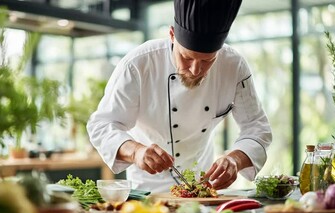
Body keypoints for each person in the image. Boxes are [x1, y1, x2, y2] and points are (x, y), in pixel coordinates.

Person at [87, 0, 272, 193]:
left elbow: (257, 127)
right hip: (147, 190)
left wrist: (236, 159)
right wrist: (137, 152)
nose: (196, 70)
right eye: (187, 57)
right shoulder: (138, 64)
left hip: (202, 188)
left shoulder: (233, 65)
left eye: (208, 61)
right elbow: (102, 125)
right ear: (172, 35)